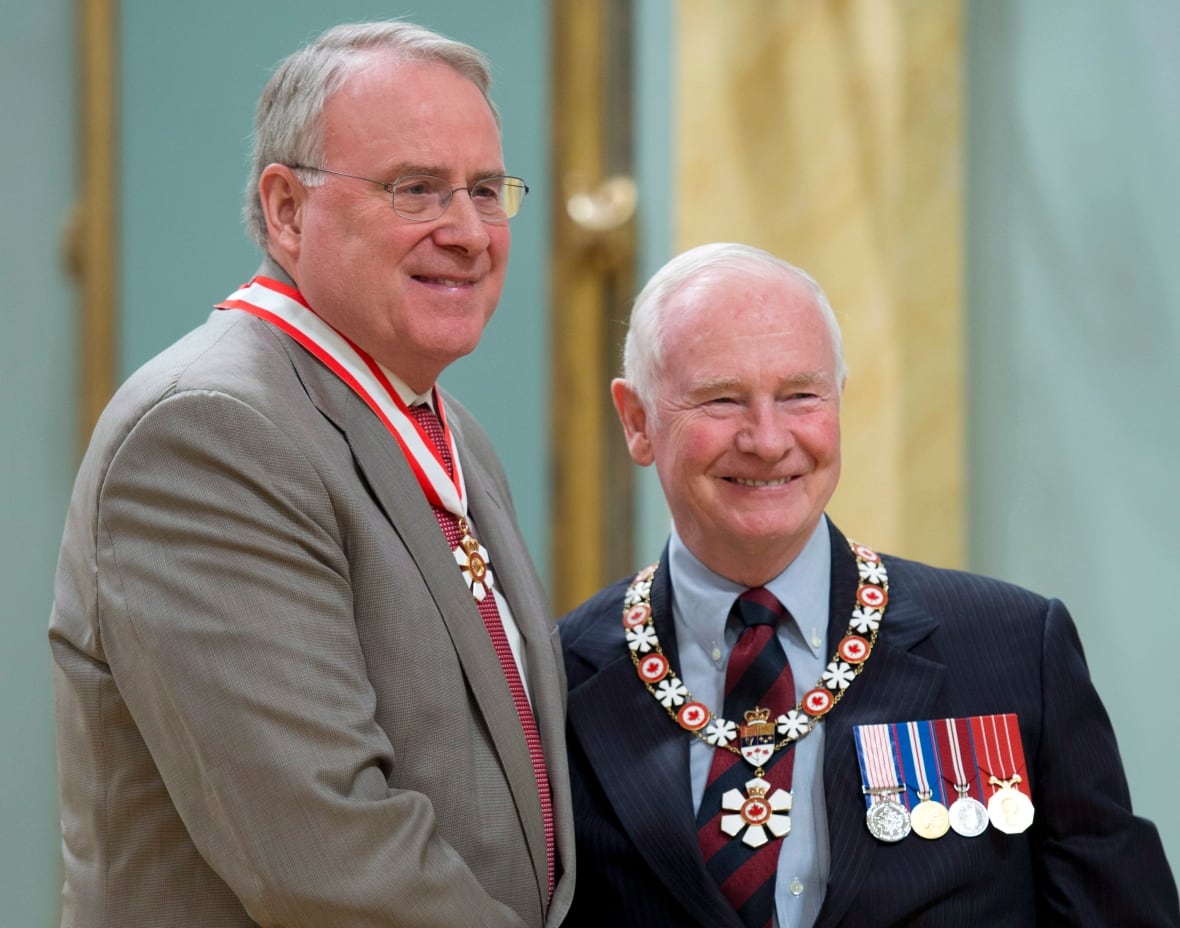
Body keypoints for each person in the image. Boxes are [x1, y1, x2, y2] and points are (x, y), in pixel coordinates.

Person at [49, 21, 572, 928]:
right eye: (416, 190)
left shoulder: (446, 428)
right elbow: (326, 861)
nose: (468, 232)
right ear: (287, 208)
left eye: (486, 190)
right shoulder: (209, 432)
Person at [558, 242, 1179, 928]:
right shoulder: (556, 679)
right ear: (637, 420)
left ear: (839, 402)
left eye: (800, 395)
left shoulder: (1011, 650)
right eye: (722, 398)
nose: (768, 439)